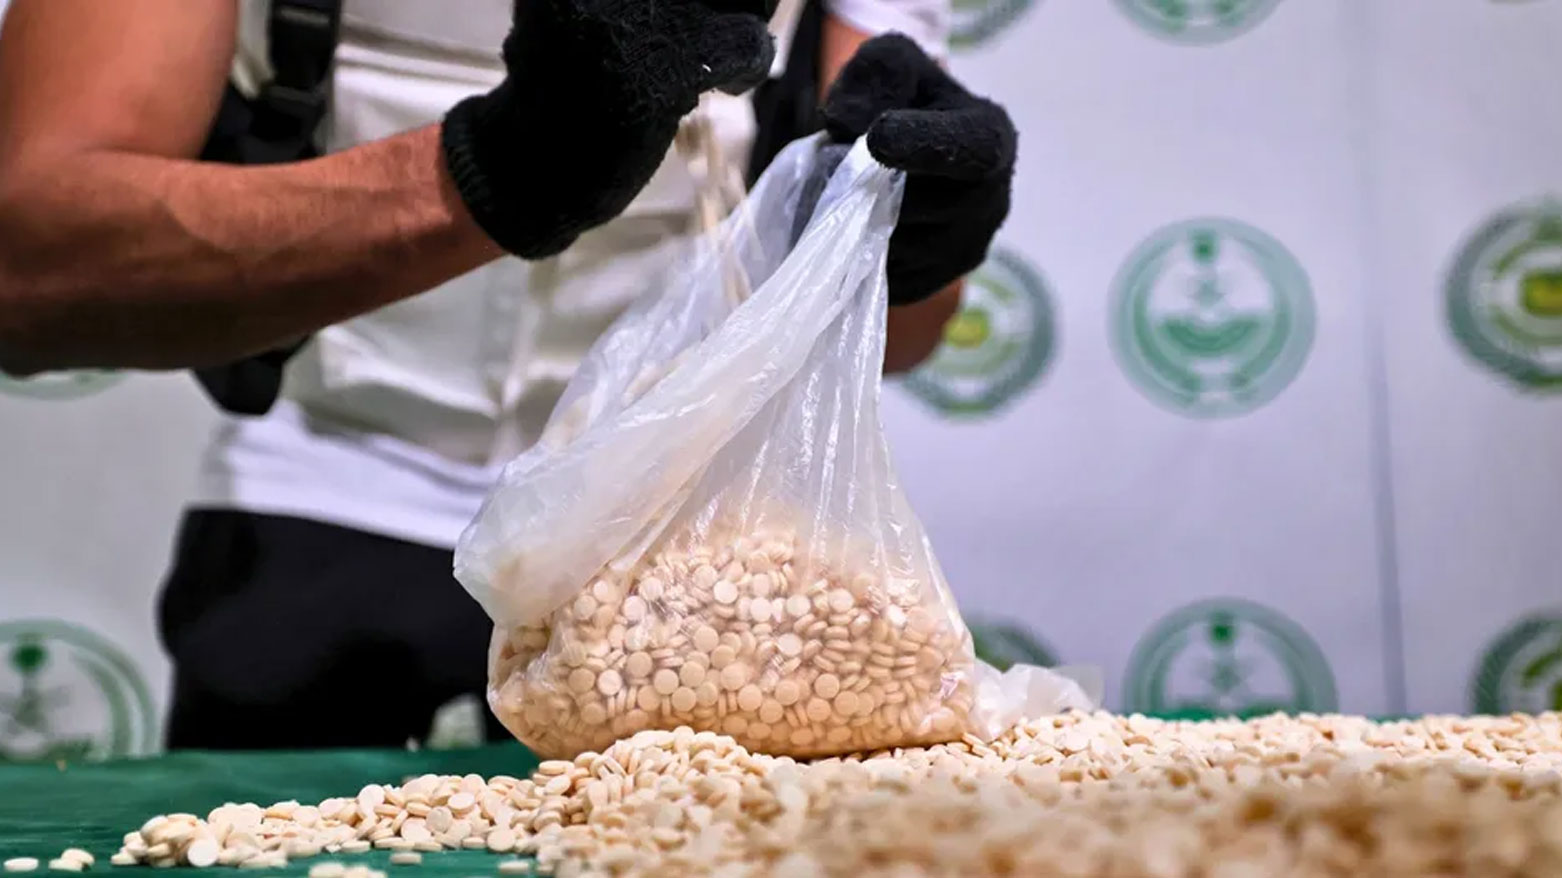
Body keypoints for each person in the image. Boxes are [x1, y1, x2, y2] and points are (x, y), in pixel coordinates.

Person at [0, 0, 1017, 749]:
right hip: (329, 467)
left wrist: (906, 246)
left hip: (669, 535)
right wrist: (497, 172)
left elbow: (901, 337)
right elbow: (33, 267)